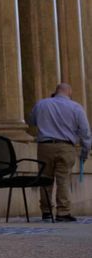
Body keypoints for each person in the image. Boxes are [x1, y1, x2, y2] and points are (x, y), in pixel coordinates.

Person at [28, 83, 90, 222]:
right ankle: (62, 212)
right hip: (66, 147)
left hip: (45, 147)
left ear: (55, 92)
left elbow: (31, 120)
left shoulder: (42, 104)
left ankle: (46, 211)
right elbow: (85, 132)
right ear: (69, 92)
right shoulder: (76, 107)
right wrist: (85, 151)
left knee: (45, 179)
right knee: (63, 180)